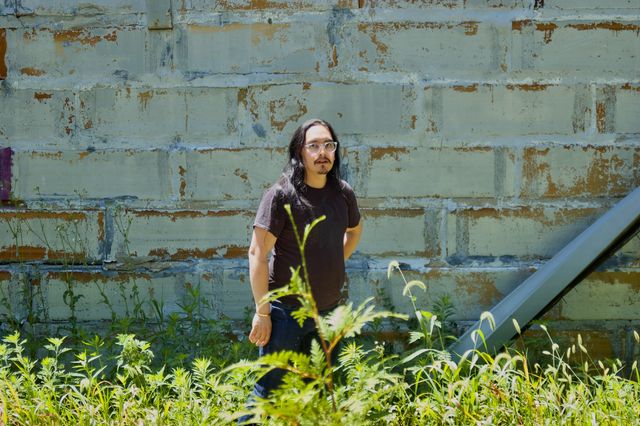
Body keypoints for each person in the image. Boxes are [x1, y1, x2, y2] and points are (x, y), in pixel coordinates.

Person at [246, 118, 363, 401]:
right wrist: (263, 313)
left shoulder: (343, 193)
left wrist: (335, 261)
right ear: (300, 151)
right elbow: (257, 254)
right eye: (314, 146)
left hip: (328, 312)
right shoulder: (281, 196)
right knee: (269, 393)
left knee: (322, 392)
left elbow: (355, 231)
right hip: (285, 314)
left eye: (328, 145)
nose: (322, 152)